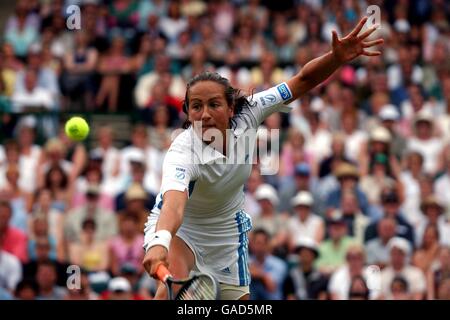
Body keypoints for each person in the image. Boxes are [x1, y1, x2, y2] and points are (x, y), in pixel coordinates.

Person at [142, 16, 383, 300]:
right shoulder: (182, 151)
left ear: (231, 107)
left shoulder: (252, 111)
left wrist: (335, 58)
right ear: (187, 112)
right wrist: (160, 241)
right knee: (172, 291)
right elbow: (174, 206)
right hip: (182, 231)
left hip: (227, 235)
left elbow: (303, 80)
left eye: (214, 104)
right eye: (196, 107)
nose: (204, 113)